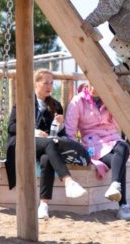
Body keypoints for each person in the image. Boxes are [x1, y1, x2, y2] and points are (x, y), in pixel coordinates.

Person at [5, 69, 87, 220]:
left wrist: (59, 126)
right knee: (49, 144)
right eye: (45, 83)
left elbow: (58, 136)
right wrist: (33, 131)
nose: (49, 86)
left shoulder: (56, 105)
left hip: (45, 146)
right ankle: (68, 181)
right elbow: (11, 127)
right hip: (21, 144)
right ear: (36, 84)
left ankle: (43, 205)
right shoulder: (24, 102)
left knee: (47, 158)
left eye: (51, 83)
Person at [65, 82, 130, 221]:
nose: (94, 88)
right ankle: (123, 205)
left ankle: (115, 185)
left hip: (111, 137)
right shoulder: (78, 100)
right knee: (120, 161)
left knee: (123, 147)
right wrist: (74, 151)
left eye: (97, 85)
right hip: (92, 143)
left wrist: (113, 104)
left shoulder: (108, 99)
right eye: (91, 84)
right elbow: (70, 129)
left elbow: (117, 125)